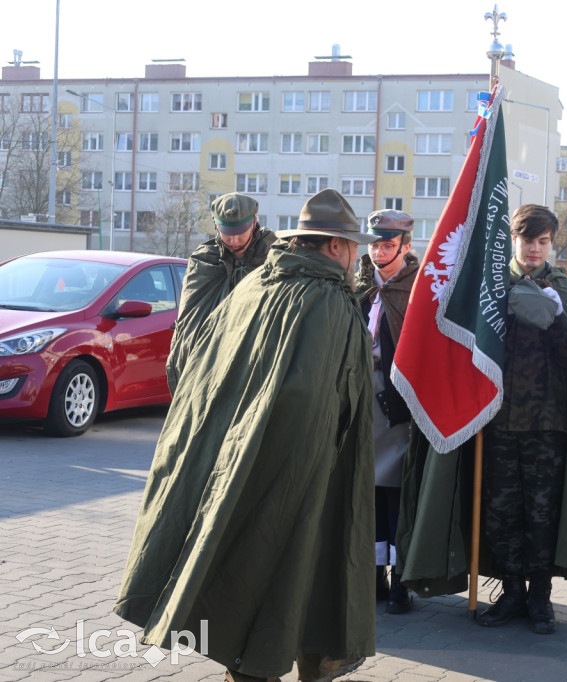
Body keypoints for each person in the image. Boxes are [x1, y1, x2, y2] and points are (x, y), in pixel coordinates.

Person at [113, 189, 380, 682]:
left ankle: (256, 662)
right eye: (354, 248)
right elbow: (328, 403)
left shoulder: (255, 283)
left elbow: (206, 365)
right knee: (292, 569)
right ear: (337, 247)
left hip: (234, 455)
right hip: (298, 468)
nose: (356, 259)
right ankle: (281, 663)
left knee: (242, 562)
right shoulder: (329, 302)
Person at [395, 204, 567, 635]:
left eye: (543, 241)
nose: (534, 249)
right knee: (500, 512)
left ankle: (539, 598)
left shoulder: (564, 290)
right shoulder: (490, 289)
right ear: (513, 240)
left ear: (552, 243)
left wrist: (554, 320)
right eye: (526, 240)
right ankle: (511, 590)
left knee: (542, 514)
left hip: (547, 426)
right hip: (494, 423)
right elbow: (463, 347)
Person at [354, 209, 419, 615]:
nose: (379, 251)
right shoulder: (357, 284)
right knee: (369, 496)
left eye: (388, 245)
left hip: (400, 405)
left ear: (405, 247)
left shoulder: (419, 287)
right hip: (362, 403)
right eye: (375, 244)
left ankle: (401, 581)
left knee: (398, 496)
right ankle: (373, 575)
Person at [166, 192, 277, 393]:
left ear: (254, 223)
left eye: (240, 232)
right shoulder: (205, 260)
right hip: (213, 366)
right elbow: (190, 321)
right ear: (216, 226)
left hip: (260, 365)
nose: (234, 241)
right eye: (227, 233)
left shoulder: (274, 255)